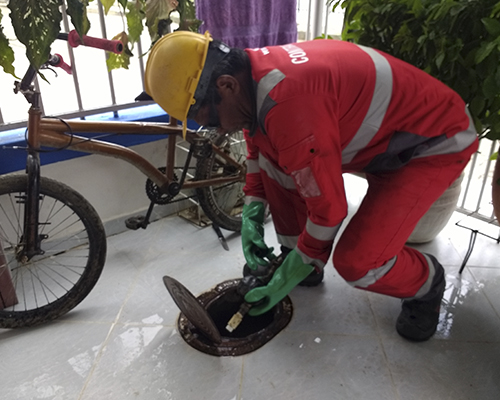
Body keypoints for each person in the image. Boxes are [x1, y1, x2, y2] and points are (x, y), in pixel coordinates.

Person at [144, 31, 478, 342]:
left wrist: (298, 265)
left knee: (358, 262)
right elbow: (260, 149)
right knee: (278, 162)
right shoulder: (252, 78)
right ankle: (298, 256)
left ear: (226, 85)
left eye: (212, 120)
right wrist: (252, 212)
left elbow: (329, 211)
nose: (218, 130)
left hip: (431, 142)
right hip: (383, 141)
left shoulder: (290, 104)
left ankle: (427, 283)